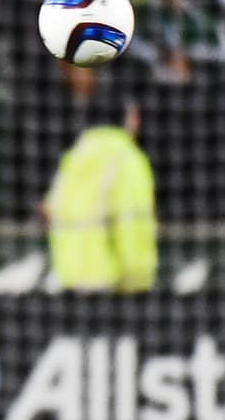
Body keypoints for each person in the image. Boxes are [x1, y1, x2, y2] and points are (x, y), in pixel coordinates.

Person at [43, 100, 158, 293]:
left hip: (68, 284)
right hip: (112, 286)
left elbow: (49, 210)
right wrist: (138, 281)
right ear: (131, 119)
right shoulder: (127, 158)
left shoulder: (74, 157)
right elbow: (131, 223)